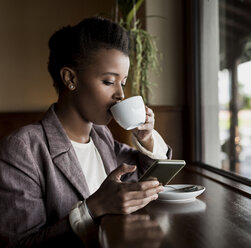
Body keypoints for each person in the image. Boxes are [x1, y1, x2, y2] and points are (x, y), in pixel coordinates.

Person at [0, 16, 171, 247]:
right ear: (70, 78)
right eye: (109, 82)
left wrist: (147, 138)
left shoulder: (102, 136)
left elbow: (146, 179)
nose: (121, 94)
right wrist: (93, 208)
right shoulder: (23, 149)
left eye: (123, 82)